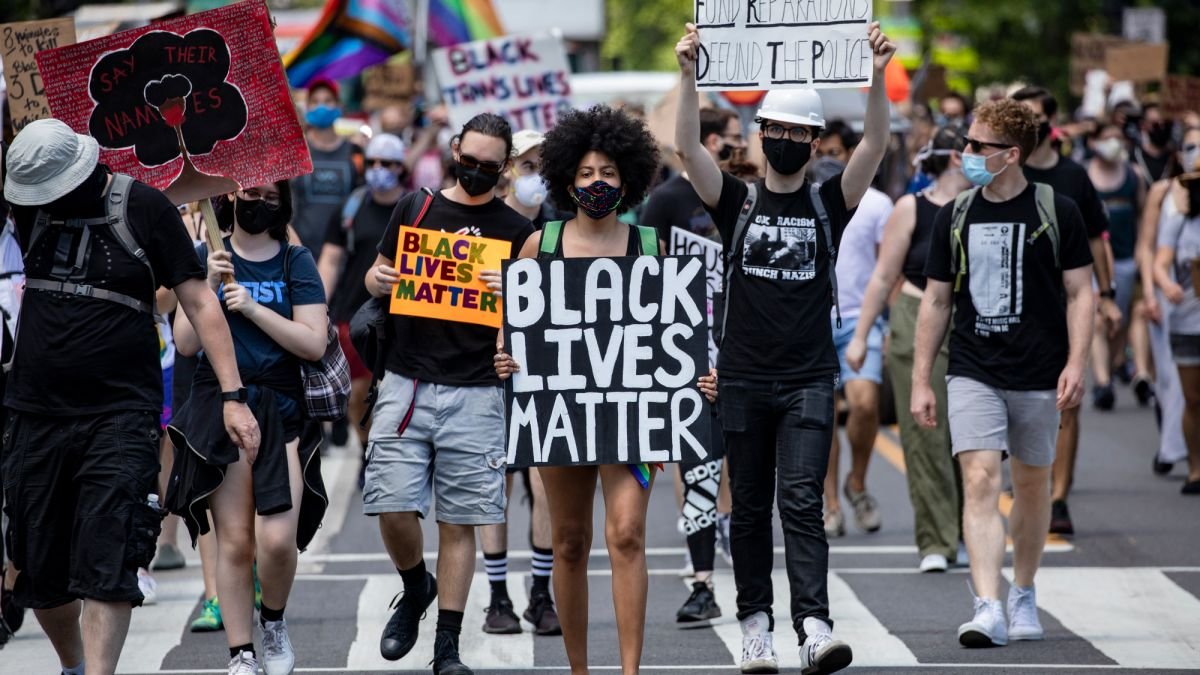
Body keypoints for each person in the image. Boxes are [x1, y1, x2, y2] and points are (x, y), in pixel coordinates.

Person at [674, 20, 896, 675]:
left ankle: (814, 624)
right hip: (741, 377)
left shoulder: (833, 200)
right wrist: (687, 70)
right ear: (762, 134)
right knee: (747, 508)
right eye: (779, 129)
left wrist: (879, 73)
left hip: (806, 377)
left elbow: (878, 142)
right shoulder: (734, 200)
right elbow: (687, 148)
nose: (789, 140)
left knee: (801, 500)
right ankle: (755, 625)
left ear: (815, 140)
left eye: (801, 132)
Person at [1, 118, 259, 675]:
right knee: (36, 567)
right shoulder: (27, 207)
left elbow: (199, 302)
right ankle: (73, 666)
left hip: (122, 414)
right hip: (33, 414)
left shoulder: (143, 207)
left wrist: (232, 395)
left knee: (109, 554)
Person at [491, 103, 678, 675]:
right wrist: (505, 355)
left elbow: (671, 335)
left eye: (609, 174)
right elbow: (513, 326)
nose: (598, 183)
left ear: (629, 179)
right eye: (587, 174)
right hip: (561, 414)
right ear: (567, 178)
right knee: (570, 540)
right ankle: (578, 670)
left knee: (625, 535)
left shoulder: (649, 247)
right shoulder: (538, 246)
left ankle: (629, 671)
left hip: (631, 416)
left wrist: (693, 378)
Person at [912, 99, 1095, 648]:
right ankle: (987, 604)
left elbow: (1081, 291)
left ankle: (1023, 590)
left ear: (1011, 154)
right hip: (973, 368)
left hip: (1039, 370)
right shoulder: (956, 213)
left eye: (976, 146)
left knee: (1033, 486)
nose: (964, 154)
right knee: (981, 478)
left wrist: (1077, 363)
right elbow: (936, 302)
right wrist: (922, 378)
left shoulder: (1056, 209)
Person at [363, 113, 535, 675]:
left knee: (459, 522)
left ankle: (447, 647)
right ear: (455, 149)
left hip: (479, 389)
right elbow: (376, 275)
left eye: (491, 165)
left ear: (504, 168)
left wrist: (510, 289)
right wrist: (380, 281)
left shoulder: (519, 233)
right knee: (390, 504)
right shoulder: (416, 207)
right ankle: (417, 586)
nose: (478, 171)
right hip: (407, 380)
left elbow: (533, 322)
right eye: (471, 160)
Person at [170, 180, 328, 675]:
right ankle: (241, 653)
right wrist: (210, 284)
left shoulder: (294, 261)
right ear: (229, 197)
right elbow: (185, 343)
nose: (259, 203)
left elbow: (313, 342)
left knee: (278, 541)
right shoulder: (203, 255)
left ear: (283, 204)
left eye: (270, 197)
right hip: (222, 409)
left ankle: (274, 623)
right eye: (250, 193)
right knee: (235, 541)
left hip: (282, 412)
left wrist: (253, 308)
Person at [849, 123, 970, 572]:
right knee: (925, 434)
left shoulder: (985, 205)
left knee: (970, 434)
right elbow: (883, 276)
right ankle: (936, 541)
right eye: (974, 148)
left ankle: (966, 527)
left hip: (975, 322)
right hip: (916, 317)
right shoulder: (911, 207)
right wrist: (862, 336)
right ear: (957, 156)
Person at [639, 106, 742, 620]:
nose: (741, 146)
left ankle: (741, 561)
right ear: (709, 142)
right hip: (689, 357)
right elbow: (646, 278)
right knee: (698, 467)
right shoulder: (666, 201)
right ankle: (702, 582)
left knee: (742, 473)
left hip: (745, 355)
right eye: (733, 138)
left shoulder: (742, 196)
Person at [1011, 85, 1118, 537]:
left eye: (1035, 117)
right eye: (1020, 117)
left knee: (1066, 404)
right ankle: (1028, 486)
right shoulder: (1004, 174)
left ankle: (1058, 497)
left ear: (1052, 124)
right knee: (1016, 405)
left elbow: (1097, 239)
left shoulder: (1074, 178)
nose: (1028, 125)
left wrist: (1107, 293)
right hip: (1013, 308)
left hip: (1066, 305)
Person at [810, 128, 895, 540]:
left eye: (833, 152)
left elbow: (888, 267)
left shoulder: (877, 204)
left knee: (864, 404)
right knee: (823, 415)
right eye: (819, 152)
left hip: (862, 319)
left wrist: (887, 322)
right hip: (812, 324)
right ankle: (830, 504)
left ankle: (856, 482)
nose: (827, 159)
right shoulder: (803, 200)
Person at [317, 133, 409, 462]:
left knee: (394, 391)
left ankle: (391, 454)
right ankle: (366, 449)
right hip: (354, 315)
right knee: (358, 392)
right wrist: (317, 306)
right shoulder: (351, 207)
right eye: (372, 162)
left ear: (402, 167)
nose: (378, 169)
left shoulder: (416, 209)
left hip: (404, 318)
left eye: (387, 163)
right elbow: (330, 259)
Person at [1139, 128, 1198, 478]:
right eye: (1191, 145)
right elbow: (1150, 250)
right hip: (1176, 304)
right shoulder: (1165, 194)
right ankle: (1177, 449)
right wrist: (1153, 289)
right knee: (1174, 382)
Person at [1086, 122, 1151, 409]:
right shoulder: (1083, 176)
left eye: (1117, 138)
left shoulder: (1133, 176)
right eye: (1107, 137)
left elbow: (1143, 216)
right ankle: (1102, 382)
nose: (1113, 143)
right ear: (1094, 142)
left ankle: (1114, 367)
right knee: (1097, 319)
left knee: (1120, 320)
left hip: (1126, 260)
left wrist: (1141, 251)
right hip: (1090, 264)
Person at [642, 107, 747, 245]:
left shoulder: (744, 191)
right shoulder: (664, 198)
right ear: (714, 142)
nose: (744, 144)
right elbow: (650, 254)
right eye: (736, 138)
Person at [291, 79, 361, 259]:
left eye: (328, 101)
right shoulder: (298, 151)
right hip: (300, 249)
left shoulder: (354, 151)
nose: (321, 106)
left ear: (339, 106)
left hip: (343, 251)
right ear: (307, 107)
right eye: (315, 101)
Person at [499, 129, 561, 229]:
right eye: (529, 167)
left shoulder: (564, 224)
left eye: (543, 167)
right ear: (507, 169)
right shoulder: (491, 224)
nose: (538, 176)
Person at [1136, 103, 1176, 184]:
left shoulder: (1176, 159)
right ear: (1143, 125)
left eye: (1166, 122)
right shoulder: (1134, 157)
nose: (1162, 127)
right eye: (1155, 123)